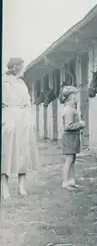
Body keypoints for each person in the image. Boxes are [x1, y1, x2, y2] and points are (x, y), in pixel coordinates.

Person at [1, 57, 39, 200]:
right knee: (7, 153)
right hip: (8, 118)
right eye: (22, 66)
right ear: (16, 67)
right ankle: (5, 189)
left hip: (23, 120)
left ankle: (21, 186)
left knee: (23, 152)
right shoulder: (4, 82)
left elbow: (28, 102)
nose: (23, 69)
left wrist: (29, 119)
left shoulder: (22, 83)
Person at [60, 85, 85, 189]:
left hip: (73, 137)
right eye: (76, 95)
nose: (78, 97)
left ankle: (71, 181)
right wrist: (80, 124)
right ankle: (65, 182)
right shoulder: (69, 110)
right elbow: (67, 126)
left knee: (72, 160)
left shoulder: (71, 108)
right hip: (69, 138)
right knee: (69, 160)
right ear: (71, 97)